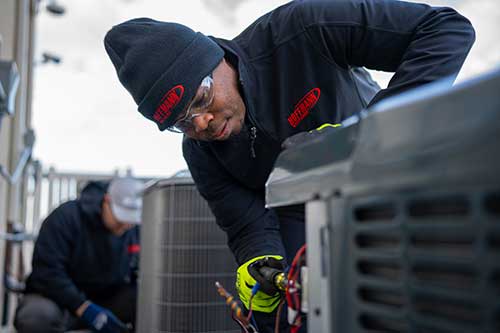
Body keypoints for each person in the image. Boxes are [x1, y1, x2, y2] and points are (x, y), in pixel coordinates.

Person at [103, 1, 475, 331]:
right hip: (298, 209)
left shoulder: (301, 31)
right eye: (180, 122)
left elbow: (445, 29)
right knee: (282, 311)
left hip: (387, 171)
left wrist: (366, 134)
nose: (199, 124)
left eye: (201, 98)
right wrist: (258, 258)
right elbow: (245, 221)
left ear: (216, 57)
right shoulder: (200, 152)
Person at [14, 177, 145, 333]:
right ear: (106, 201)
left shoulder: (133, 230)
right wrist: (85, 308)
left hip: (106, 299)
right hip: (59, 300)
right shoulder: (66, 217)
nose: (125, 225)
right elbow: (47, 273)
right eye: (120, 218)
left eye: (130, 220)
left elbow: (137, 273)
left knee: (145, 302)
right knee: (35, 317)